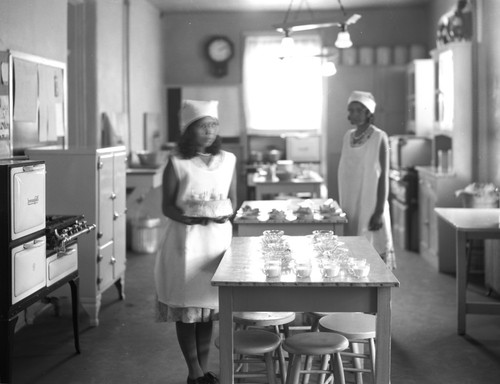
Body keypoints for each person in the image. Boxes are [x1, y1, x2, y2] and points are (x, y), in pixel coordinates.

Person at [154, 99, 237, 384]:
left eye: (213, 125)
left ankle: (202, 372)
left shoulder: (228, 160)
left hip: (216, 242)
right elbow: (167, 207)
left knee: (207, 311)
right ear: (190, 129)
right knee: (187, 309)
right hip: (185, 243)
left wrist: (224, 214)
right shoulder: (177, 163)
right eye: (203, 126)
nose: (210, 131)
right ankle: (194, 371)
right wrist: (188, 218)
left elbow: (231, 201)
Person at [337, 90, 396, 269]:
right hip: (350, 203)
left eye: (358, 110)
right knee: (352, 251)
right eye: (350, 110)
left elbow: (383, 176)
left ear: (368, 112)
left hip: (370, 203)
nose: (352, 114)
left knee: (372, 252)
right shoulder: (348, 137)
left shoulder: (379, 137)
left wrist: (378, 211)